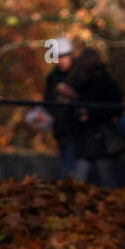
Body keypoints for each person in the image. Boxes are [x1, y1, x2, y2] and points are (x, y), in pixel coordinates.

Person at [65, 47, 125, 188]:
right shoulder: (92, 82)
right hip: (91, 140)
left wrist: (91, 114)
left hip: (99, 139)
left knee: (101, 179)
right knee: (101, 179)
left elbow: (115, 108)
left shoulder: (99, 83)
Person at [42, 38, 77, 179]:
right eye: (58, 57)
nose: (61, 61)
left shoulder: (79, 74)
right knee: (67, 162)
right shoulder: (53, 76)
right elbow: (47, 101)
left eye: (64, 57)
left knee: (71, 167)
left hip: (76, 130)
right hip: (60, 129)